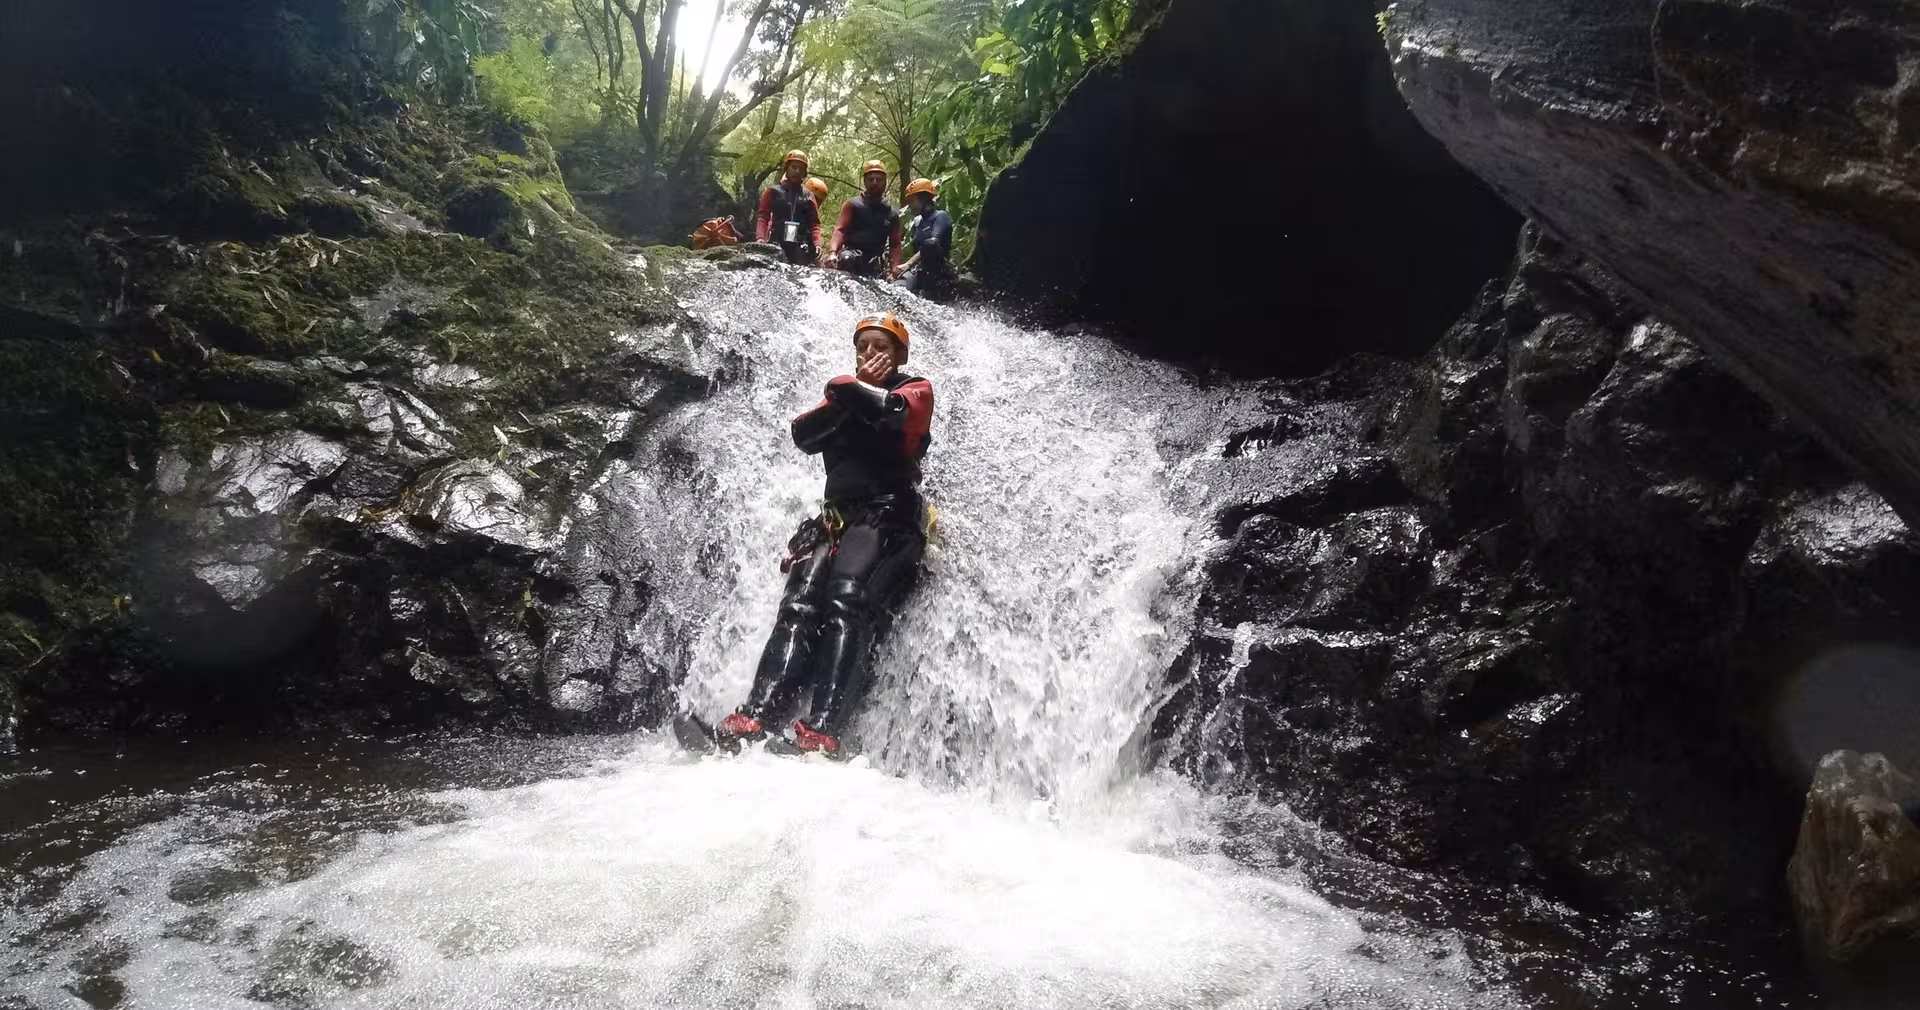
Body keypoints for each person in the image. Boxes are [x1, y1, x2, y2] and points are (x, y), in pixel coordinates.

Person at [717, 313, 934, 755]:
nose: (871, 355)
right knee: (797, 606)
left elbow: (891, 415)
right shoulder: (839, 402)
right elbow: (803, 433)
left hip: (885, 516)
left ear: (899, 356)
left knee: (846, 600)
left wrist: (848, 388)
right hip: (836, 519)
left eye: (882, 348)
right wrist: (844, 393)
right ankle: (756, 715)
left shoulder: (914, 389)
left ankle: (823, 729)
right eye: (865, 347)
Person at [830, 160, 903, 278]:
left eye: (879, 180)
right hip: (852, 254)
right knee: (846, 259)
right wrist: (833, 252)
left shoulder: (891, 214)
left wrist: (894, 270)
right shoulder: (853, 205)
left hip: (874, 261)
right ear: (865, 181)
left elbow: (895, 244)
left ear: (885, 182)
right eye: (871, 179)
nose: (875, 183)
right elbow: (840, 230)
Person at [893, 178, 956, 302]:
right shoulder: (918, 222)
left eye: (911, 200)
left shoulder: (941, 216)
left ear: (923, 199)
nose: (909, 205)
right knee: (897, 289)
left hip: (938, 271)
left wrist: (908, 264)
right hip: (920, 271)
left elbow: (933, 243)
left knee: (930, 244)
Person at [756, 150, 823, 266]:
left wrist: (817, 243)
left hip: (800, 246)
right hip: (776, 243)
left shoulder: (808, 196)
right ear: (787, 168)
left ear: (804, 173)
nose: (797, 171)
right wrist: (760, 238)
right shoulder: (772, 192)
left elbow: (814, 224)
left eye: (801, 169)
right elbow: (763, 217)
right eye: (794, 167)